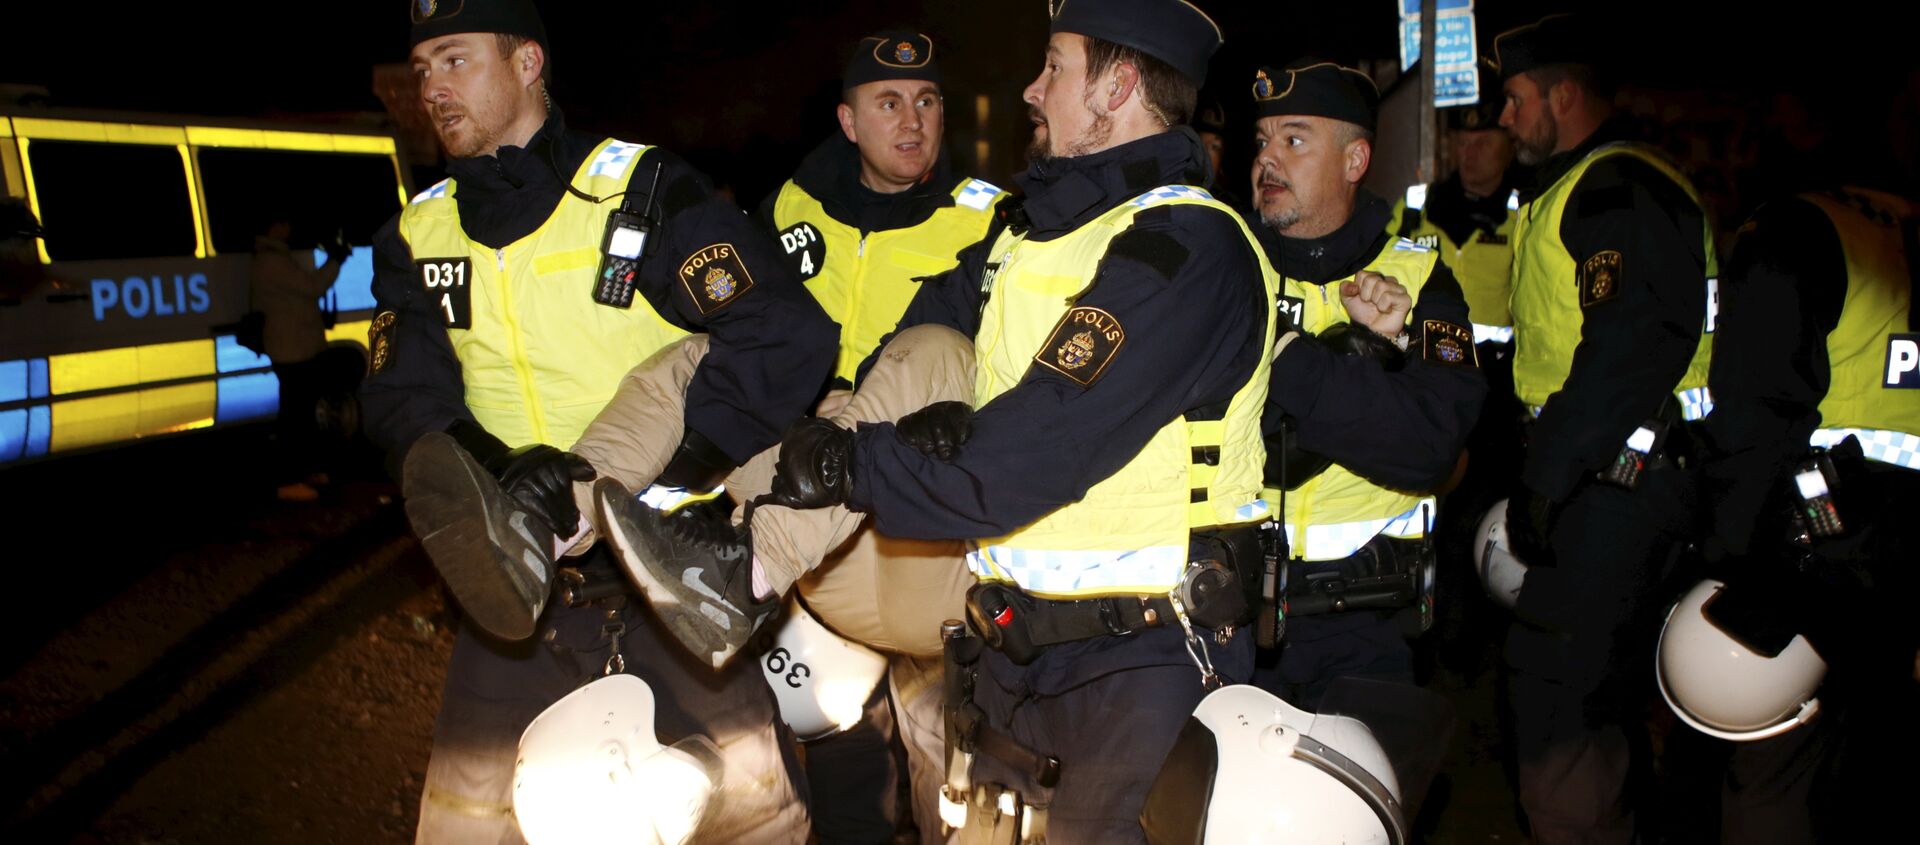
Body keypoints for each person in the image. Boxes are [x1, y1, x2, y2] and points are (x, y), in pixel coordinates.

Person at [602, 1, 1288, 837]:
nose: (1032, 90)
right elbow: (921, 340)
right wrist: (920, 416)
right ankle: (712, 547)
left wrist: (857, 462)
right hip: (1014, 654)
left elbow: (1037, 446)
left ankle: (736, 566)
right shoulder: (1028, 234)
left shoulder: (1184, 247)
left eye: (1056, 68)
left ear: (1117, 86)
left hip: (1142, 665)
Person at [358, 1, 832, 840]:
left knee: (755, 820)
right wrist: (505, 478)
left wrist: (646, 477)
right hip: (513, 588)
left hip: (668, 583)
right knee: (463, 822)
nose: (431, 86)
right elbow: (404, 397)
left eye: (455, 59)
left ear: (528, 63)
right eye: (423, 66)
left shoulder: (642, 192)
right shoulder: (415, 230)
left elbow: (783, 333)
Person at [755, 28, 1005, 842]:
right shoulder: (791, 211)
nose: (913, 120)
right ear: (848, 119)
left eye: (928, 101)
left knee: (953, 779)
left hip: (928, 521)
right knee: (839, 771)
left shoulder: (991, 219)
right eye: (888, 102)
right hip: (820, 537)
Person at [1492, 14, 1721, 842]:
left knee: (1560, 690)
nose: (1505, 116)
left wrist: (1549, 473)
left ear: (1563, 94)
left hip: (1620, 479)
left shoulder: (1617, 188)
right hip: (1615, 477)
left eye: (1516, 99)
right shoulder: (1582, 185)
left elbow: (1630, 341)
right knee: (1605, 694)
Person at [1241, 60, 1486, 709]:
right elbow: (1252, 448)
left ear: (1355, 160)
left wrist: (1299, 371)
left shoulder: (1423, 277)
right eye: (1262, 140)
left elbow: (1431, 445)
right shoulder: (1226, 270)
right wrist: (1366, 360)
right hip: (1231, 625)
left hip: (1371, 630)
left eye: (1294, 140)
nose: (1268, 159)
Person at [1691, 182, 1920, 842]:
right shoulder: (1898, 221)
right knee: (1878, 763)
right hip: (1899, 542)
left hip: (1814, 543)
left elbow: (1752, 412)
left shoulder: (1796, 225)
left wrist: (1730, 561)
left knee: (1774, 762)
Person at [250, 214, 355, 503]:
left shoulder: (272, 257)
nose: (289, 228)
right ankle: (287, 480)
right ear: (273, 227)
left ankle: (304, 472)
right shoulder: (272, 261)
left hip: (294, 347)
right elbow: (312, 287)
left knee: (302, 414)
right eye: (284, 223)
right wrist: (336, 260)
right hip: (291, 350)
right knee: (294, 418)